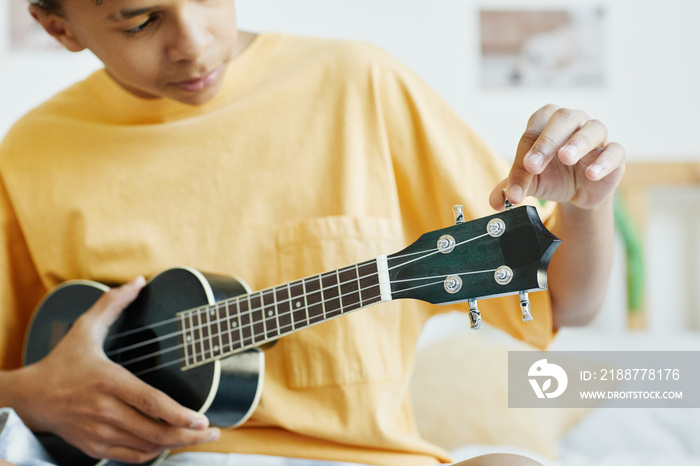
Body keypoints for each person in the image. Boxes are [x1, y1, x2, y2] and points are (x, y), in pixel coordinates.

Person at [0, 1, 625, 465]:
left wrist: (587, 207)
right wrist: (35, 395)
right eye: (140, 20)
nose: (193, 42)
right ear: (60, 27)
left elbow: (563, 302)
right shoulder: (30, 155)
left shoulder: (361, 86)